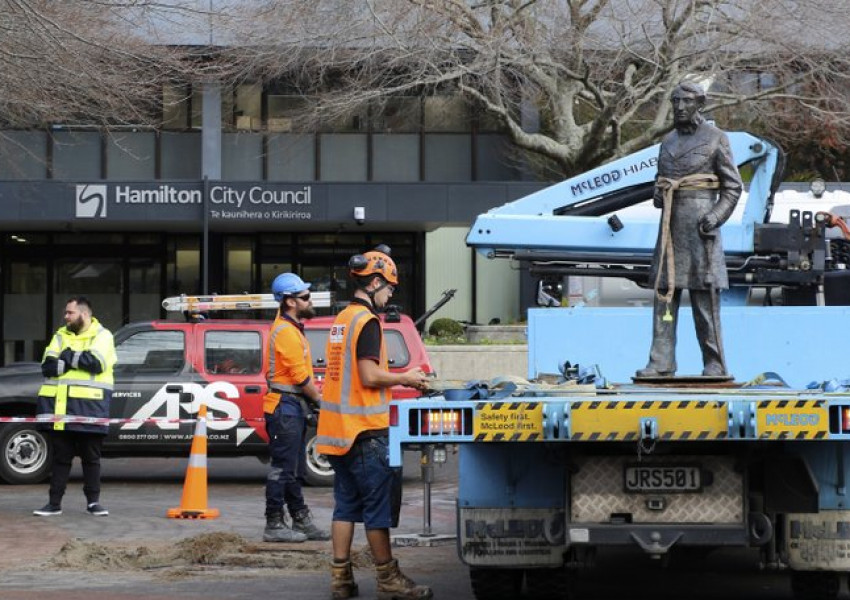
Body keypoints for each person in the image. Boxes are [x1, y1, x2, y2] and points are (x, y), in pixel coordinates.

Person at [317, 245, 433, 600]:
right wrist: (407, 379)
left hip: (338, 433)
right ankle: (388, 581)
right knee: (376, 510)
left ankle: (340, 580)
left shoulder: (341, 320)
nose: (390, 295)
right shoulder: (367, 322)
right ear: (375, 282)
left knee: (345, 507)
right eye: (389, 288)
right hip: (365, 432)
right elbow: (368, 374)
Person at [636, 82, 743, 379]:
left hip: (700, 230)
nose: (680, 108)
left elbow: (733, 186)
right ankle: (661, 361)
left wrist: (716, 215)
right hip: (670, 227)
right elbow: (661, 180)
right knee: (664, 297)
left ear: (700, 104)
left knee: (704, 300)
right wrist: (658, 194)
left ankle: (715, 362)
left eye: (685, 102)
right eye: (675, 102)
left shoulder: (716, 138)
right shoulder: (667, 142)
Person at [33, 296, 116, 517]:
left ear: (84, 314)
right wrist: (75, 359)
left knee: (91, 459)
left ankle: (93, 503)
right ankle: (53, 504)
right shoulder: (60, 335)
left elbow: (96, 364)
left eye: (70, 313)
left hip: (91, 410)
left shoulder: (103, 336)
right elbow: (48, 366)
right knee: (61, 459)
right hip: (61, 410)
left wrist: (67, 357)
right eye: (66, 313)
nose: (66, 316)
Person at [262, 272, 329, 543]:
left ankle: (300, 519)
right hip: (285, 406)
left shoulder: (291, 329)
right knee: (283, 469)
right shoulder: (286, 332)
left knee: (294, 469)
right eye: (304, 296)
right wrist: (321, 401)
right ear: (290, 302)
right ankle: (274, 523)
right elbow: (300, 378)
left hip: (291, 406)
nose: (309, 300)